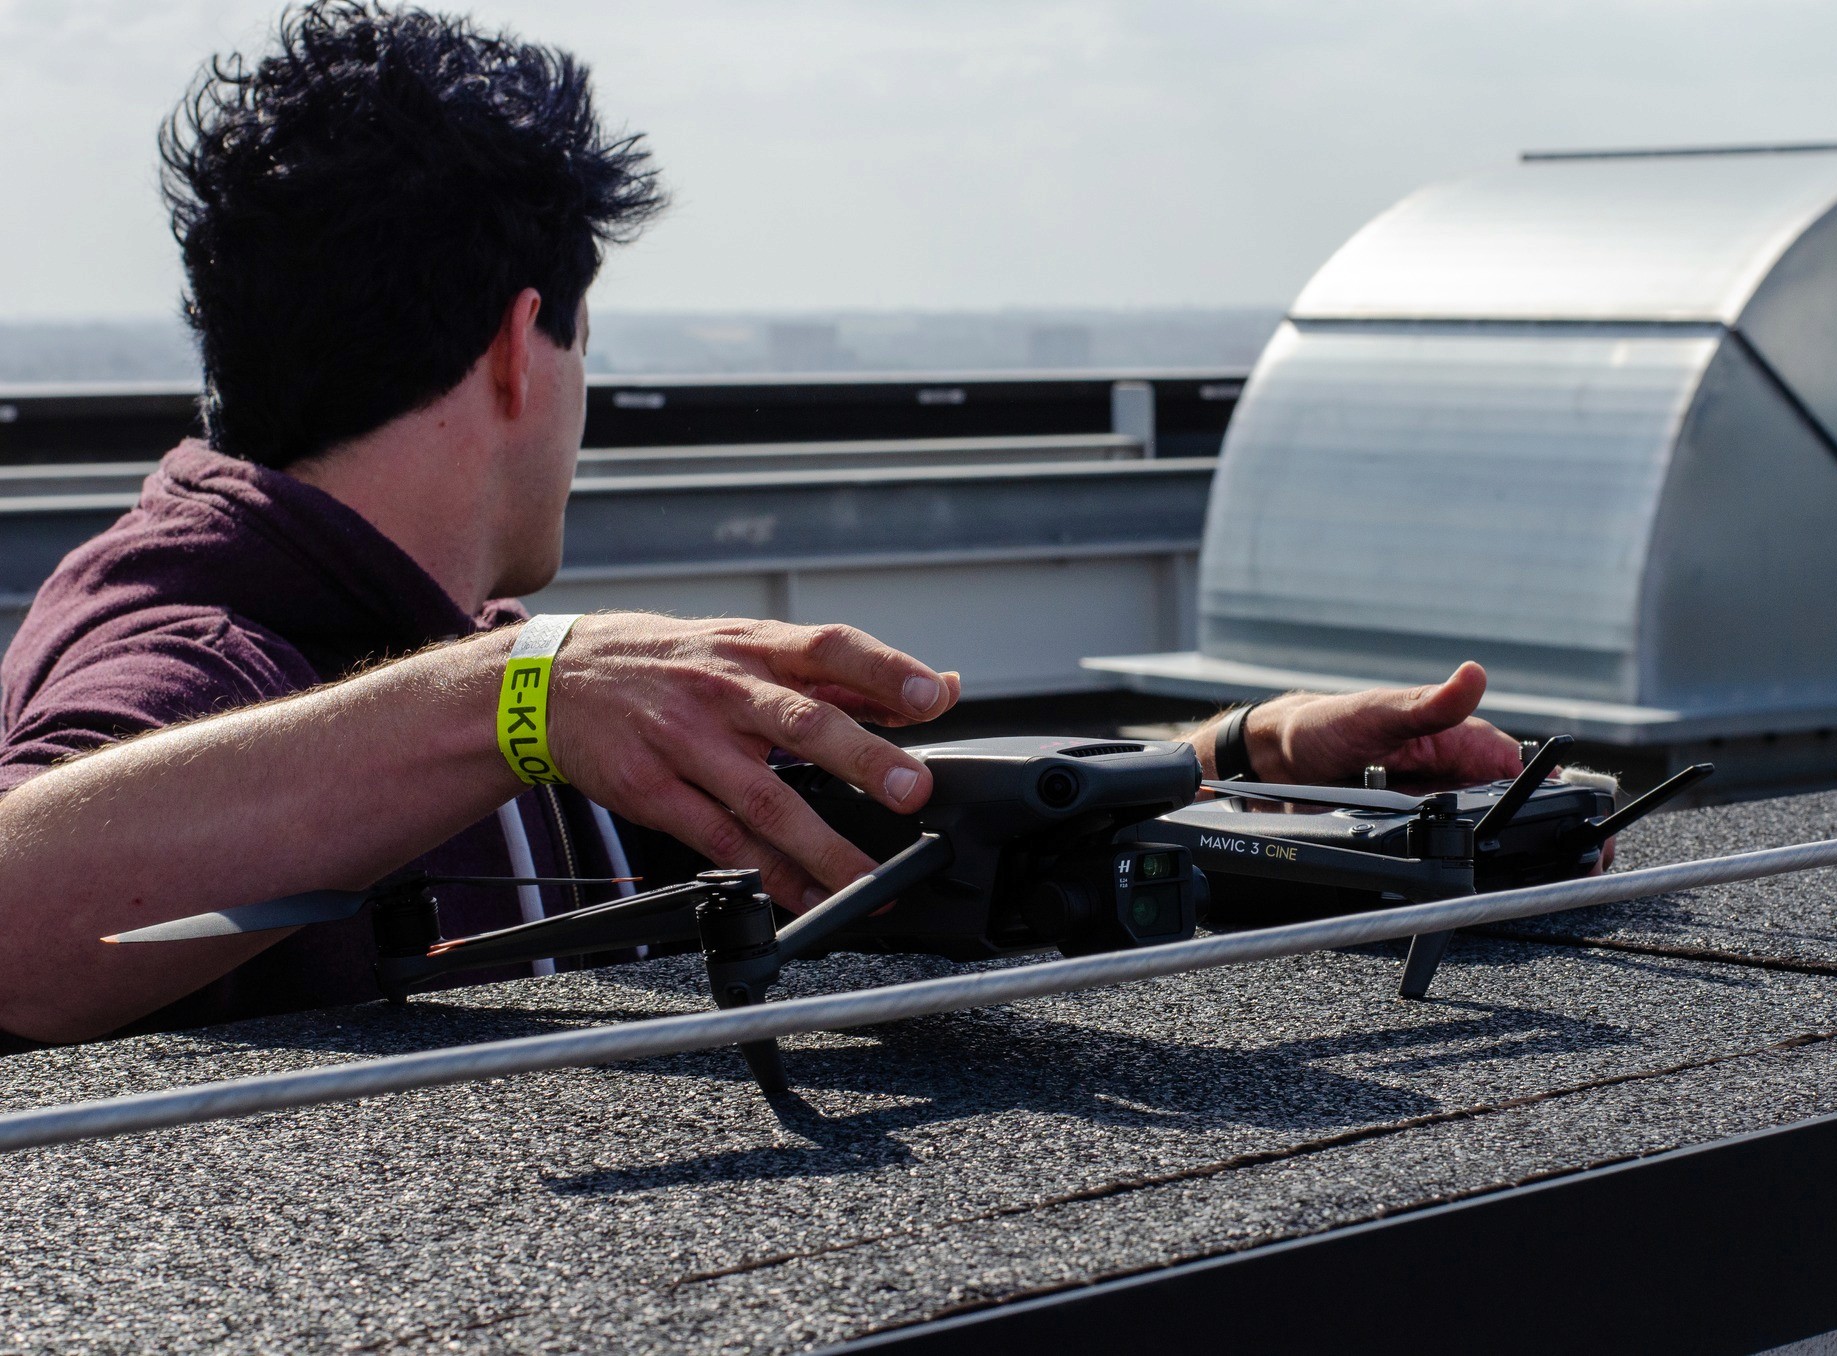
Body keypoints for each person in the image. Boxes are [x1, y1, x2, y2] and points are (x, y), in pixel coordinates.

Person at [0, 2, 1523, 1046]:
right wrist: (509, 696)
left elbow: (827, 821)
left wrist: (1238, 766)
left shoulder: (423, 655)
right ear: (527, 348)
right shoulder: (202, 643)